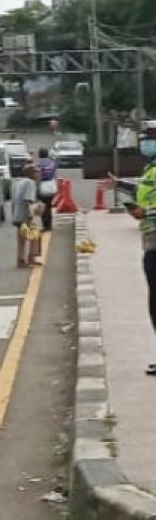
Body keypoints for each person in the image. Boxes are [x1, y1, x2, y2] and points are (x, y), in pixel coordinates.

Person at [112, 132, 156, 374]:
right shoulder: (150, 169)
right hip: (151, 240)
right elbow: (143, 193)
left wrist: (145, 213)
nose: (146, 144)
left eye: (151, 139)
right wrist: (119, 184)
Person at [12, 165, 42, 268]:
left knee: (21, 240)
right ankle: (31, 258)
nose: (38, 174)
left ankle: (20, 260)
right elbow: (28, 200)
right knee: (34, 235)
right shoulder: (30, 183)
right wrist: (34, 212)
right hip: (26, 215)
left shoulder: (17, 182)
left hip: (17, 215)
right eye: (36, 172)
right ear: (31, 174)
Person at [35, 147, 59, 232]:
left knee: (44, 206)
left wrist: (36, 189)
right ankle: (49, 225)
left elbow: (38, 177)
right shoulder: (52, 163)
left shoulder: (39, 165)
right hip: (52, 186)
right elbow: (55, 173)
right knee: (49, 206)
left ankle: (46, 226)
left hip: (43, 186)